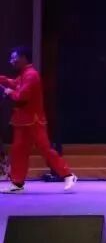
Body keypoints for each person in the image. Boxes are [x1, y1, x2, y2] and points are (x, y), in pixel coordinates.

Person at [0, 46, 76, 194]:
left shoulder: (31, 75)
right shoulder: (24, 74)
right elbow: (14, 83)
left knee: (45, 149)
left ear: (23, 58)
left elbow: (21, 96)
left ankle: (68, 175)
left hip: (34, 121)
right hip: (22, 121)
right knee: (18, 151)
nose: (11, 61)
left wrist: (8, 92)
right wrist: (3, 81)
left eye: (14, 57)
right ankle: (17, 183)